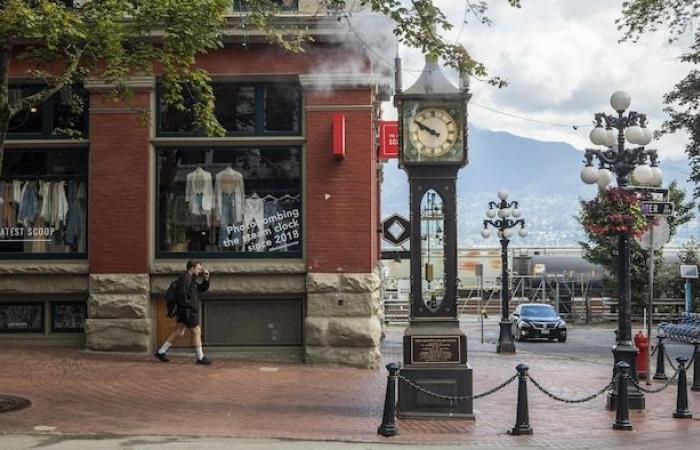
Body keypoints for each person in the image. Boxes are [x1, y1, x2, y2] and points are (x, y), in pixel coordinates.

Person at [154, 260, 212, 365]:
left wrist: (206, 278)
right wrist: (189, 307)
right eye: (198, 268)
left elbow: (201, 289)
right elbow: (182, 295)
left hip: (185, 311)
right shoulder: (185, 278)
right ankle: (200, 357)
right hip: (187, 311)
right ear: (192, 268)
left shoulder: (191, 278)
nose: (200, 270)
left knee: (179, 332)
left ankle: (161, 352)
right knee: (196, 331)